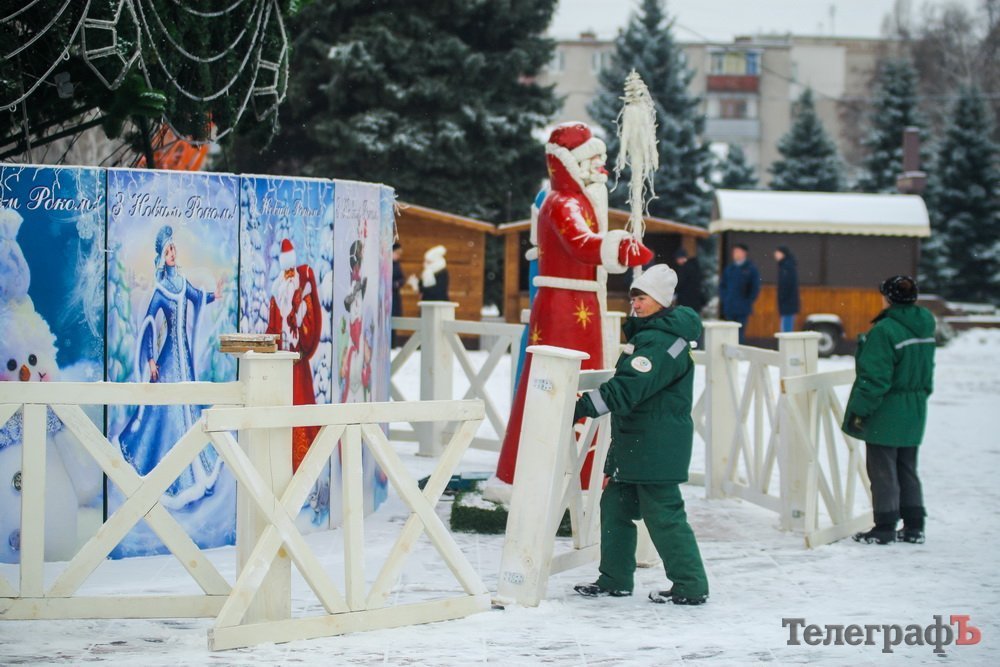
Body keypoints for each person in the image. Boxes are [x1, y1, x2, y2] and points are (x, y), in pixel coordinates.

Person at [493, 122, 652, 491]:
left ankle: (583, 472)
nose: (602, 167)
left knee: (582, 383)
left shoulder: (577, 201)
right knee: (559, 384)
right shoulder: (563, 203)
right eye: (594, 159)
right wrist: (617, 248)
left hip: (579, 305)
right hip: (565, 308)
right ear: (572, 163)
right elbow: (581, 244)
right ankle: (555, 475)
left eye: (602, 159)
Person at [572, 264, 708, 605]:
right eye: (634, 296)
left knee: (664, 516)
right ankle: (614, 578)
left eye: (643, 297)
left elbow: (629, 387)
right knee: (615, 507)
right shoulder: (655, 337)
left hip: (656, 447)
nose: (636, 303)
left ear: (661, 301)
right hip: (638, 443)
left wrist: (579, 405)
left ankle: (690, 585)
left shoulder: (660, 343)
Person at [118, 224, 224, 509]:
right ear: (161, 257)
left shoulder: (181, 281)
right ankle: (171, 473)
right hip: (168, 358)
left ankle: (195, 470)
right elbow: (149, 324)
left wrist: (214, 295)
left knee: (188, 407)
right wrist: (151, 359)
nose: (172, 253)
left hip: (184, 356)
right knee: (167, 413)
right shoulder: (162, 290)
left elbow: (197, 297)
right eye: (167, 251)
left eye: (173, 248)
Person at [843, 275, 935, 545]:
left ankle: (884, 527)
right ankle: (914, 525)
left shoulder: (884, 331)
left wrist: (860, 411)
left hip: (888, 407)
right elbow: (928, 372)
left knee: (882, 469)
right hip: (915, 405)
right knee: (907, 467)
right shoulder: (925, 326)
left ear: (887, 297)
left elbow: (875, 379)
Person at [266, 238, 322, 471]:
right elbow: (272, 327)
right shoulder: (277, 296)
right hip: (280, 363)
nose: (289, 275)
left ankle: (306, 460)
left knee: (300, 406)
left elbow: (313, 322)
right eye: (285, 270)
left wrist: (303, 344)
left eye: (291, 270)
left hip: (297, 364)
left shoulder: (303, 293)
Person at [719, 243, 760, 343]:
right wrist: (725, 298)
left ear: (744, 253)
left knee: (739, 334)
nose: (735, 254)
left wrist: (747, 301)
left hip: (742, 308)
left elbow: (755, 288)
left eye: (737, 252)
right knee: (729, 333)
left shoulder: (750, 269)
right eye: (734, 252)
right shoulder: (729, 269)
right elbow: (722, 286)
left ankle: (739, 356)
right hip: (730, 307)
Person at [774, 245, 800, 333]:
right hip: (787, 302)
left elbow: (787, 285)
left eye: (777, 253)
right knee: (785, 327)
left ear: (783, 254)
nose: (775, 255)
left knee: (786, 329)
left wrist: (782, 297)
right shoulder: (785, 266)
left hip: (788, 303)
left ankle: (786, 346)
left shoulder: (787, 267)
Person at [673, 248, 705, 312]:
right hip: (695, 299)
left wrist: (674, 290)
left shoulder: (684, 269)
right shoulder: (694, 267)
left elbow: (680, 283)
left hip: (686, 299)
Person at [391, 242, 405, 347]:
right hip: (388, 297)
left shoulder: (397, 265)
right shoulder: (386, 263)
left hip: (394, 296)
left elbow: (402, 279)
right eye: (397, 253)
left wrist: (397, 284)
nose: (398, 256)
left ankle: (393, 344)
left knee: (394, 321)